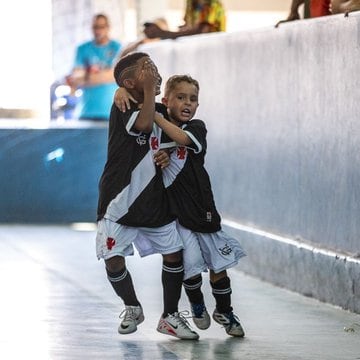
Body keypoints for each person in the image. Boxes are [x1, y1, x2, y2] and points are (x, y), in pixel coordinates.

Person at [96, 52, 199, 340]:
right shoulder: (124, 104)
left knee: (174, 253)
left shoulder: (160, 109)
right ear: (130, 82)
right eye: (145, 68)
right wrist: (132, 88)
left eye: (153, 65)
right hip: (119, 200)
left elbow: (172, 131)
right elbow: (142, 125)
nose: (153, 69)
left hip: (154, 198)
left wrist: (166, 152)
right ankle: (132, 306)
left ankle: (170, 316)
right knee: (113, 258)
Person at [67, 14, 122, 121]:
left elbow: (116, 75)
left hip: (111, 113)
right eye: (95, 27)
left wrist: (87, 76)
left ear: (108, 27)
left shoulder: (118, 47)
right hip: (86, 112)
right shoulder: (82, 49)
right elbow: (76, 78)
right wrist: (106, 75)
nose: (98, 31)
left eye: (101, 27)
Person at [143, 0, 226, 40]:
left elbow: (201, 31)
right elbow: (188, 26)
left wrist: (163, 33)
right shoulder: (191, 3)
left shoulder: (212, 3)